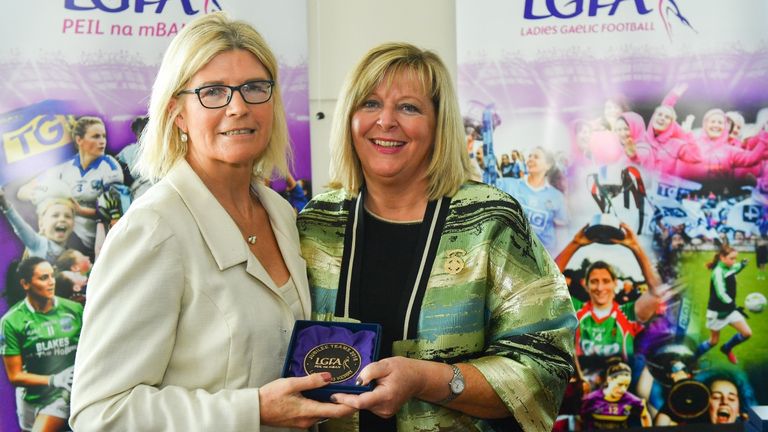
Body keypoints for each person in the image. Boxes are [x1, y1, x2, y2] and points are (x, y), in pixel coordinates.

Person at [68, 13, 355, 432]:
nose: (238, 107)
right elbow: (100, 413)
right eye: (213, 92)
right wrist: (252, 409)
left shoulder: (280, 212)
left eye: (254, 88)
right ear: (177, 113)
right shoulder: (152, 230)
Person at [297, 42, 577, 432]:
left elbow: (544, 364)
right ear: (349, 118)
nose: (386, 121)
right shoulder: (317, 222)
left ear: (438, 124)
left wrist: (427, 379)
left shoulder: (489, 219)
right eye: (370, 104)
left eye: (408, 108)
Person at [555, 223, 665, 386]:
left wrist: (635, 246)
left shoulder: (628, 313)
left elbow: (657, 291)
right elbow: (545, 282)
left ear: (615, 284)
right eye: (594, 281)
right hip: (582, 389)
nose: (600, 288)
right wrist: (575, 244)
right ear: (586, 285)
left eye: (606, 281)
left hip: (622, 390)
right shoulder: (575, 309)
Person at [16, 116, 124, 255]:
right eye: (96, 136)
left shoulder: (110, 166)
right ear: (79, 140)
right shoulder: (64, 166)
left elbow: (117, 211)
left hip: (100, 239)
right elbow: (22, 191)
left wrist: (81, 210)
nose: (102, 141)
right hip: (70, 237)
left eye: (104, 136)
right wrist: (42, 196)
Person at [0, 256, 84, 432]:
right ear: (25, 284)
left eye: (52, 276)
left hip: (62, 396)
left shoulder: (74, 310)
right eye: (44, 278)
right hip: (29, 400)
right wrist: (53, 380)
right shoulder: (11, 321)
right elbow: (15, 376)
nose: (51, 282)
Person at [498, 146, 568, 254]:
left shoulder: (556, 196)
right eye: (530, 156)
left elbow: (562, 228)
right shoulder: (508, 185)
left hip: (542, 256)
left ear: (548, 165)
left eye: (536, 157)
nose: (530, 159)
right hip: (512, 253)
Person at [693, 245, 752, 365]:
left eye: (735, 258)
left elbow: (736, 268)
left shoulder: (729, 267)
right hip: (717, 312)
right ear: (722, 257)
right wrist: (732, 304)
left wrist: (742, 264)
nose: (734, 261)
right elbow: (721, 293)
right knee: (713, 341)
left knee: (747, 333)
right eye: (731, 258)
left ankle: (726, 348)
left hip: (730, 310)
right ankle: (691, 359)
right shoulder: (718, 272)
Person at [0, 189, 75, 263]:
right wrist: (4, 203)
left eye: (68, 216)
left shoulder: (72, 255)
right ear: (41, 223)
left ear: (73, 224)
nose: (62, 219)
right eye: (55, 215)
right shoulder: (37, 243)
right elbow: (20, 227)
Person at [579, 361, 651, 429]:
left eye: (626, 385)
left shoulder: (632, 400)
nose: (623, 389)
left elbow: (645, 416)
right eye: (620, 384)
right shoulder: (590, 399)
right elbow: (579, 420)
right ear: (609, 380)